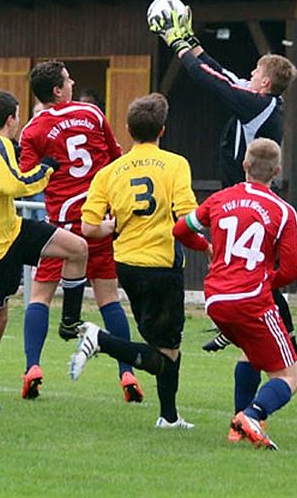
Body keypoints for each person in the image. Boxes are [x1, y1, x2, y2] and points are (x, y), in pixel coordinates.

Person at [150, 3, 297, 369]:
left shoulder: (256, 104)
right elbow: (219, 71)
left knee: (256, 277)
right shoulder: (260, 98)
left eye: (255, 71)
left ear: (264, 83)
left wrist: (176, 42)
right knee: (242, 271)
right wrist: (190, 40)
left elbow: (209, 80)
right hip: (245, 195)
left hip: (247, 198)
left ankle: (289, 344)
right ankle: (239, 328)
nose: (249, 74)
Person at [69, 93, 204, 429]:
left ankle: (169, 417)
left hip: (126, 265)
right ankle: (100, 340)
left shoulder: (109, 172)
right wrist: (206, 244)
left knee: (165, 347)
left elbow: (88, 227)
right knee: (166, 351)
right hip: (162, 264)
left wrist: (110, 226)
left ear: (128, 129)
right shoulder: (176, 164)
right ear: (163, 130)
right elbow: (187, 217)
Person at [18, 61, 142, 402]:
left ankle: (32, 367)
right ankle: (127, 372)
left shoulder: (33, 130)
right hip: (98, 222)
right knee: (109, 299)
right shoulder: (92, 114)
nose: (72, 82)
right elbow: (115, 159)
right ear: (58, 90)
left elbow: (27, 180)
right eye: (68, 79)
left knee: (40, 296)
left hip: (63, 227)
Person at [0, 90, 88, 411]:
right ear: (11, 119)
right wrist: (46, 168)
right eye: (19, 116)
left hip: (12, 229)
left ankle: (70, 321)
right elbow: (15, 184)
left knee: (77, 248)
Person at [173, 138, 297, 450]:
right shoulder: (283, 212)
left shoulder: (219, 199)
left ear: (244, 165)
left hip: (216, 298)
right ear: (277, 171)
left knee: (250, 353)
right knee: (289, 376)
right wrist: (266, 280)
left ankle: (238, 427)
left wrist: (205, 247)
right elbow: (290, 270)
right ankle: (252, 415)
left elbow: (180, 230)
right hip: (251, 298)